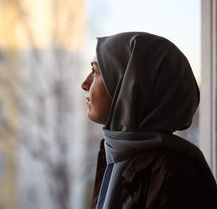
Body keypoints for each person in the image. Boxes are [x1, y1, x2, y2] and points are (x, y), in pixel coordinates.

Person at [81, 32, 217, 209]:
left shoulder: (175, 176)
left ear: (132, 88)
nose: (84, 83)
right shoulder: (115, 156)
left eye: (95, 72)